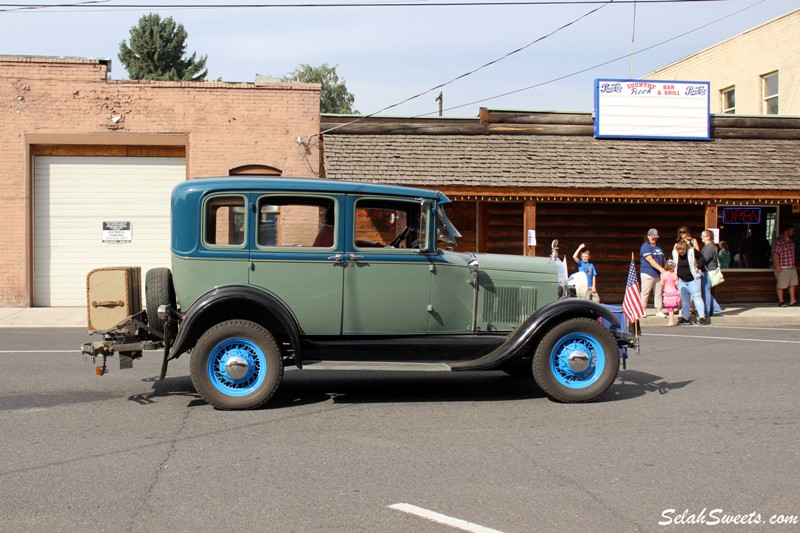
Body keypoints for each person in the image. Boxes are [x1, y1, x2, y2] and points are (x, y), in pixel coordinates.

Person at [673, 240, 707, 325]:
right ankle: (685, 317)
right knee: (684, 299)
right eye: (679, 252)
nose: (681, 254)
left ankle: (702, 317)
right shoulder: (674, 253)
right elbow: (672, 263)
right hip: (682, 280)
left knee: (697, 297)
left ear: (686, 249)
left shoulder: (692, 251)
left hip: (693, 279)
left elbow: (702, 258)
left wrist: (698, 267)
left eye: (683, 252)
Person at [640, 228, 666, 317]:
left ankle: (659, 310)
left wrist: (665, 268)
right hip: (647, 273)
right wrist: (660, 268)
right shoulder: (645, 246)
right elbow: (649, 259)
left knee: (658, 293)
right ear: (648, 236)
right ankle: (642, 310)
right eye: (653, 237)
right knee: (645, 292)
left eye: (656, 238)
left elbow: (662, 258)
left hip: (658, 274)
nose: (654, 239)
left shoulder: (659, 246)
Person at [700, 230, 725, 319]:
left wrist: (697, 265)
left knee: (705, 292)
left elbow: (704, 260)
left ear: (708, 237)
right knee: (705, 291)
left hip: (708, 272)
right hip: (708, 271)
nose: (701, 237)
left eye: (703, 236)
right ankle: (716, 309)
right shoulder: (709, 246)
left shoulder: (709, 247)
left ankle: (707, 311)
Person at [772, 224, 797, 307]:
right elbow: (775, 254)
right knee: (781, 284)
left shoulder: (790, 240)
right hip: (783, 266)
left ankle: (792, 300)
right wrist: (778, 266)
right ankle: (781, 301)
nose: (792, 232)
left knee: (792, 284)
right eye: (791, 230)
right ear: (786, 231)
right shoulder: (778, 241)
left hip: (791, 266)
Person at [661, 259, 680, 326]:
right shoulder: (674, 274)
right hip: (674, 291)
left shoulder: (663, 274)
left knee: (670, 308)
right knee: (674, 307)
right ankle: (674, 318)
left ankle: (671, 321)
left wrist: (664, 285)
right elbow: (676, 283)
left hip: (667, 292)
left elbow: (662, 283)